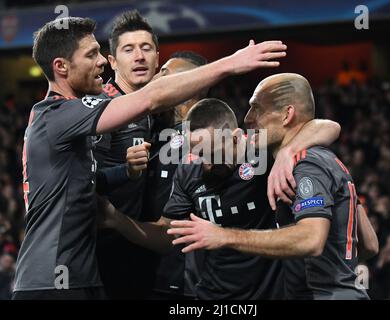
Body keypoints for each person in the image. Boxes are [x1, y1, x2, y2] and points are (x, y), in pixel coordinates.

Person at [13, 15, 287, 300]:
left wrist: (126, 173)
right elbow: (148, 98)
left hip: (84, 273)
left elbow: (88, 182)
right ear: (61, 67)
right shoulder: (59, 115)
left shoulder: (70, 123)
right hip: (53, 280)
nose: (101, 63)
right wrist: (230, 63)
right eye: (92, 54)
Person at [99, 96, 341, 299]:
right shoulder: (189, 170)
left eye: (212, 152)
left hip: (269, 293)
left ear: (236, 137)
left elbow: (328, 126)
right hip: (210, 294)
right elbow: (166, 236)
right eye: (198, 154)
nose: (205, 163)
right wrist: (117, 220)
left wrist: (289, 151)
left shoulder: (262, 154)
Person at [168, 73, 378, 300]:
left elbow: (310, 240)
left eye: (256, 108)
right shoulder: (317, 159)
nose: (247, 118)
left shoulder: (306, 164)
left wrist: (225, 236)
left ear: (287, 115)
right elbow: (369, 244)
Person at [93, 10, 160, 300]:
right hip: (102, 247)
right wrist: (126, 170)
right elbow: (85, 180)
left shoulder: (152, 106)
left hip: (139, 242)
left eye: (146, 48)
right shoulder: (105, 108)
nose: (139, 56)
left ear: (158, 56)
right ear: (112, 61)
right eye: (128, 49)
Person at [142, 51, 208, 299]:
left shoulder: (201, 139)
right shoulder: (158, 131)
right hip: (154, 272)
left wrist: (115, 221)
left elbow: (169, 229)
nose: (155, 76)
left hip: (183, 280)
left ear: (191, 85)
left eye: (165, 73)